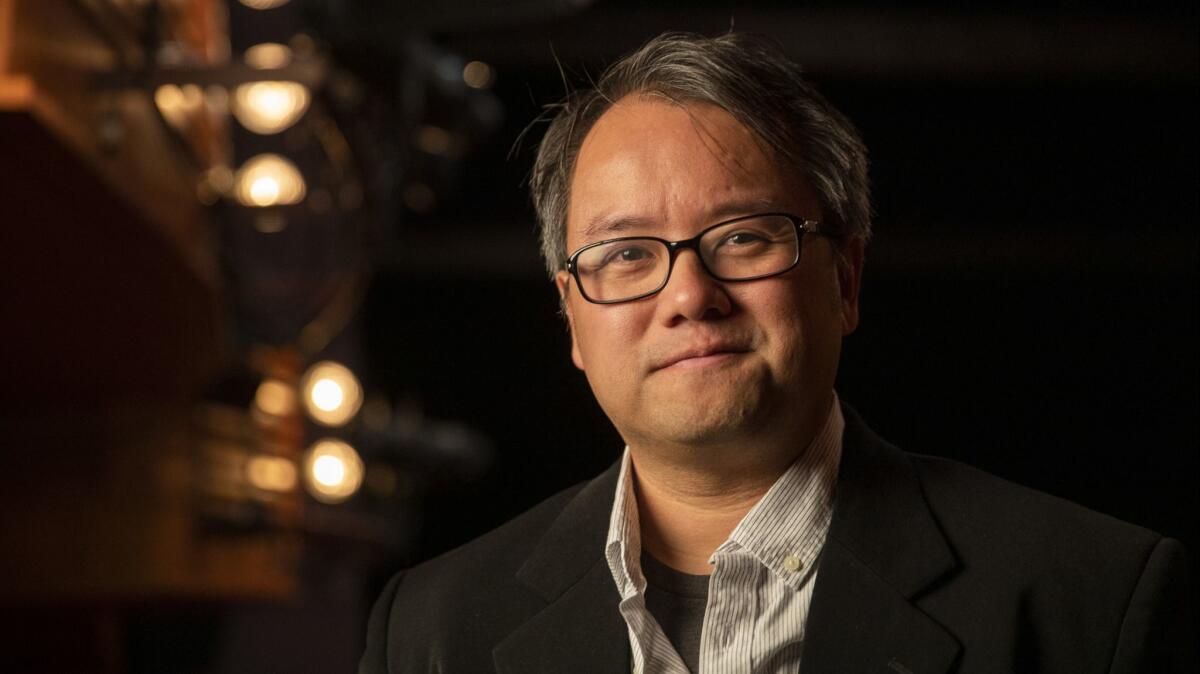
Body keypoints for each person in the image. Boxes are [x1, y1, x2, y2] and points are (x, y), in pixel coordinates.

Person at [359, 32, 1193, 673]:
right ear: (571, 318)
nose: (689, 296)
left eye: (745, 237)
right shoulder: (431, 629)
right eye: (625, 255)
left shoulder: (1094, 599)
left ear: (846, 279)